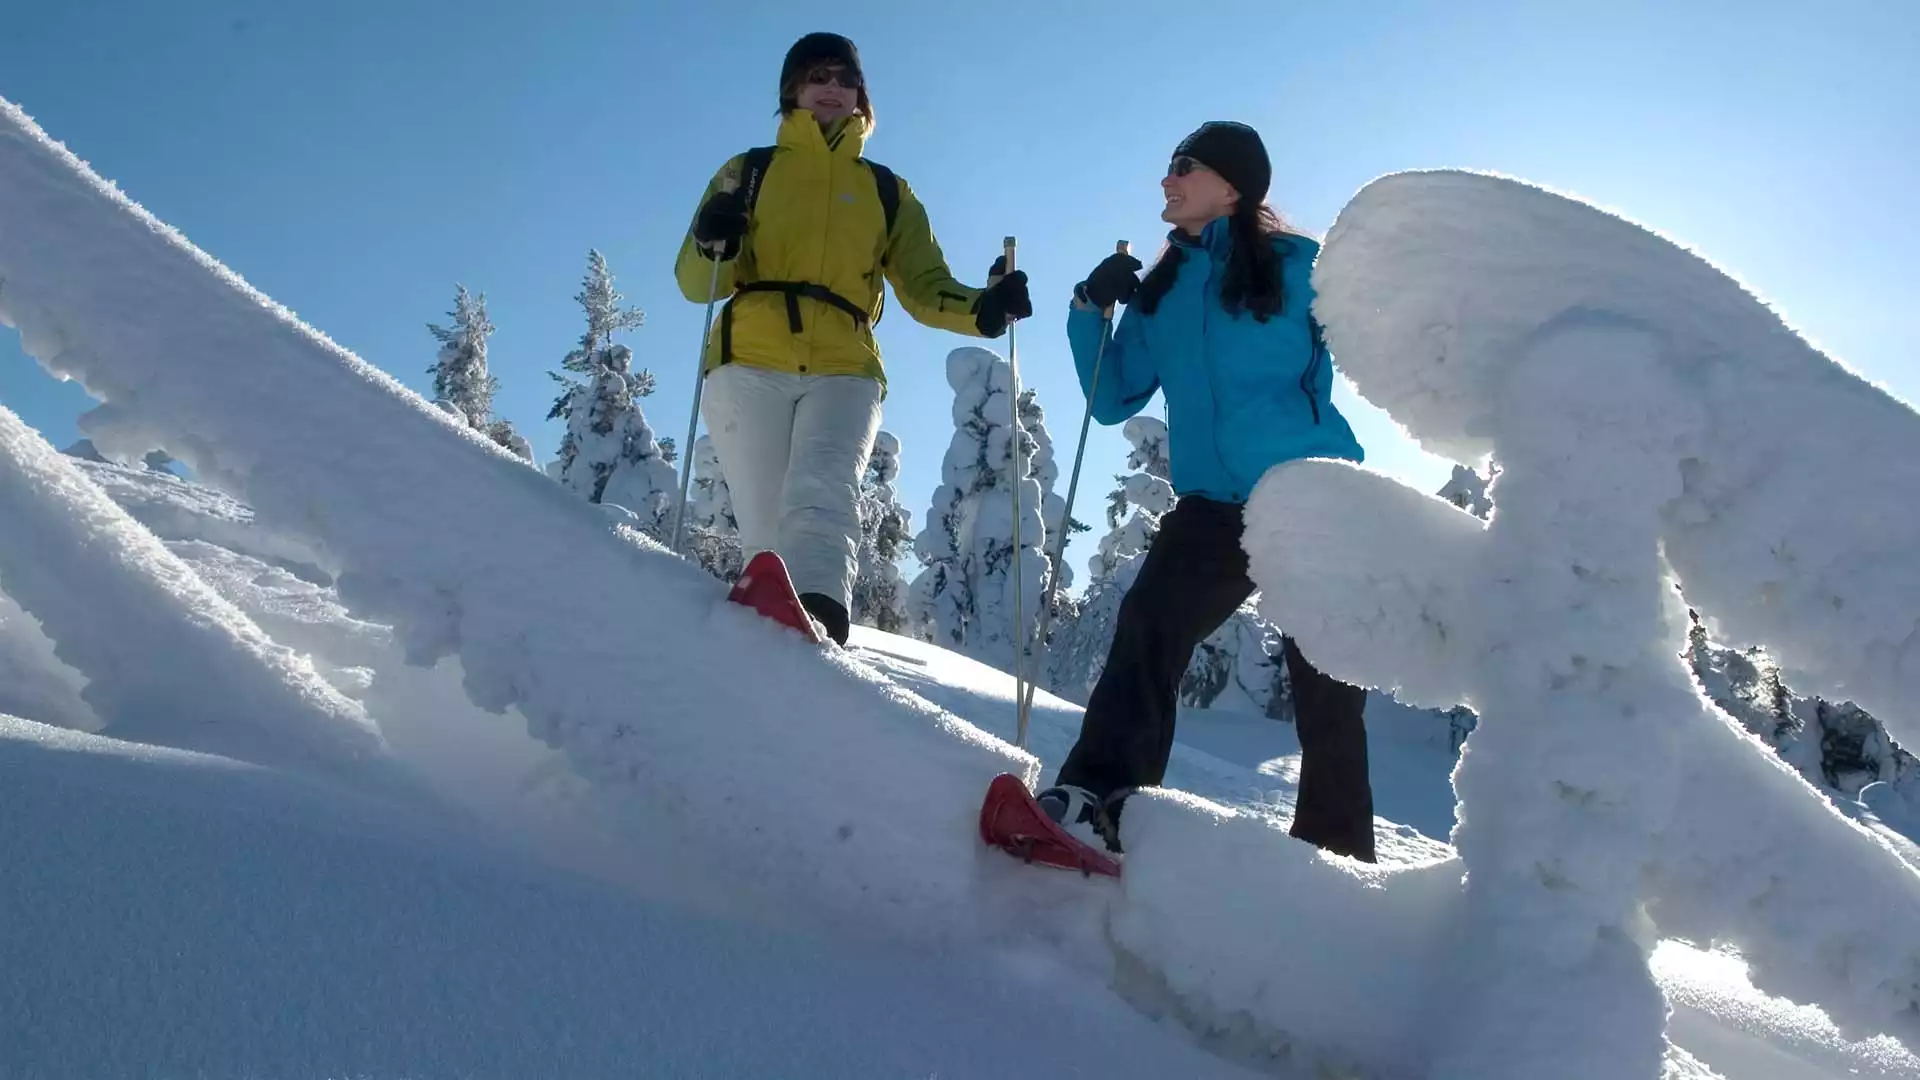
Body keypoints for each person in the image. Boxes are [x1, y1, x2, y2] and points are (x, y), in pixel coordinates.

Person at [1038, 121, 1377, 862]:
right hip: (1213, 506)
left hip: (1309, 489)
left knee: (1326, 681)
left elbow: (1379, 336)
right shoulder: (1162, 289)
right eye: (1167, 167)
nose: (1167, 179)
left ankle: (1336, 857)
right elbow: (1113, 395)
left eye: (1183, 166)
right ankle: (1097, 800)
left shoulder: (1302, 266)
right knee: (1148, 625)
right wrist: (1088, 309)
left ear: (1231, 185)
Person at [674, 31, 1030, 646]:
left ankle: (820, 618)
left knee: (824, 487)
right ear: (793, 91)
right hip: (749, 358)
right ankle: (766, 639)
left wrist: (984, 308)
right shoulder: (748, 171)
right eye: (818, 76)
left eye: (844, 79)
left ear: (861, 96)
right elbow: (695, 281)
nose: (832, 88)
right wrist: (713, 238)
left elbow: (924, 285)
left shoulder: (886, 191)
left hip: (846, 363)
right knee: (763, 518)